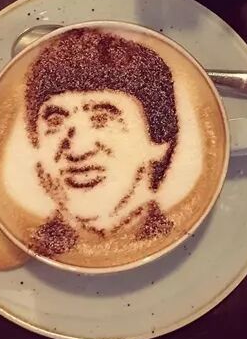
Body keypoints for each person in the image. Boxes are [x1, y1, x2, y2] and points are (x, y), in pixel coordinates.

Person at [22, 27, 180, 256]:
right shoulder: (35, 242)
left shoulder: (172, 235)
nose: (77, 149)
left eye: (102, 119)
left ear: (159, 143)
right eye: (56, 122)